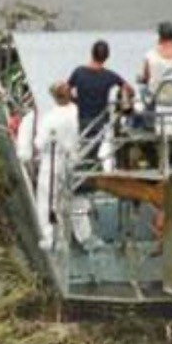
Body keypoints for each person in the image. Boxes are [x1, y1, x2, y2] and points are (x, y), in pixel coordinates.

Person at [34, 82, 79, 249]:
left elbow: (39, 143)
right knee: (70, 196)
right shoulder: (76, 112)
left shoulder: (50, 118)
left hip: (52, 160)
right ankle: (71, 236)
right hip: (73, 158)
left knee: (47, 200)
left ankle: (49, 238)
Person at [68, 39, 133, 138]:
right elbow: (130, 90)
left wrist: (75, 100)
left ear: (92, 53)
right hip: (100, 120)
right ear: (107, 57)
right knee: (94, 147)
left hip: (82, 119)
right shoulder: (109, 76)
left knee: (84, 145)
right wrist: (122, 95)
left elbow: (65, 90)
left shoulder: (78, 72)